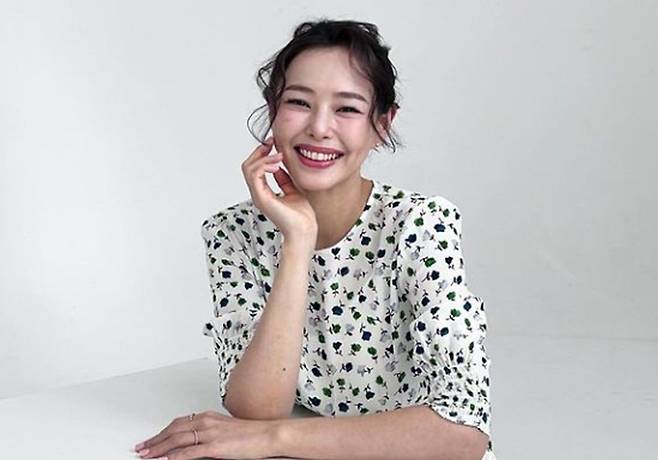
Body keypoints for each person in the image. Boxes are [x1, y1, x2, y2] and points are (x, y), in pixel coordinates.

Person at [133, 18, 495, 460]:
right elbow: (258, 410)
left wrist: (276, 439)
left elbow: (463, 432)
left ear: (382, 124)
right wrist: (298, 241)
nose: (320, 127)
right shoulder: (232, 233)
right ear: (273, 110)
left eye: (347, 109)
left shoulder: (419, 225)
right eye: (299, 102)